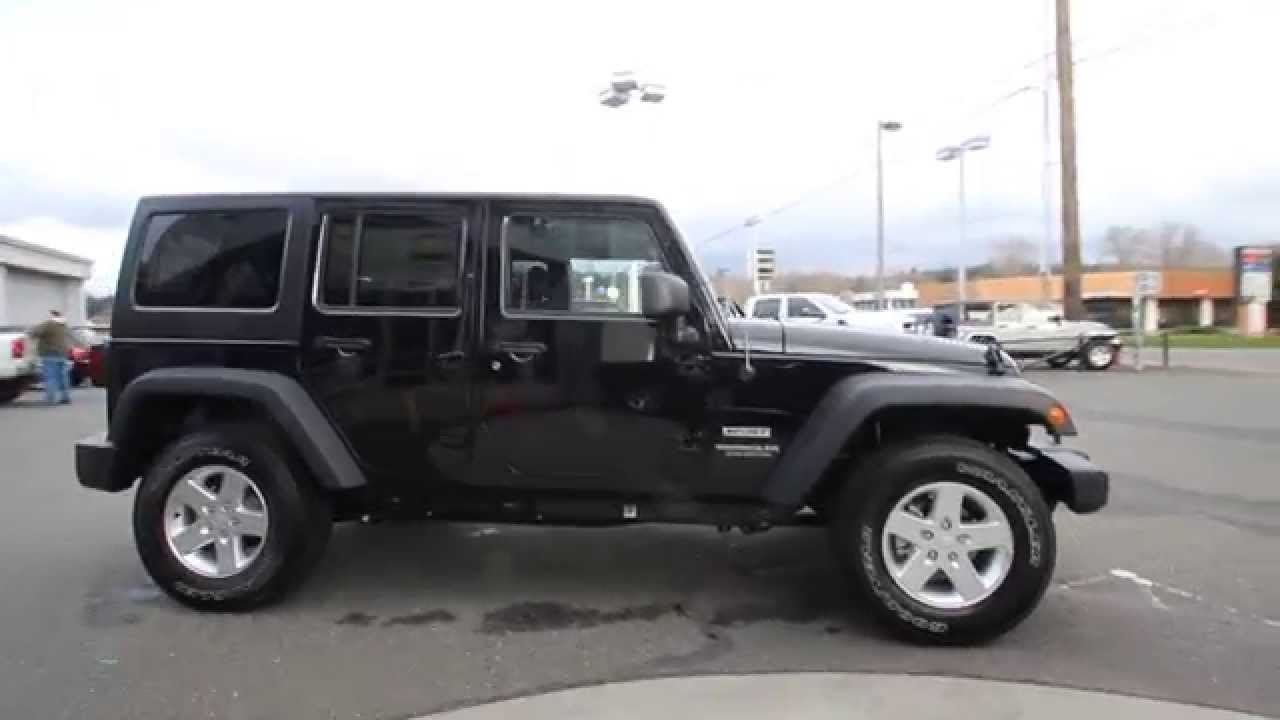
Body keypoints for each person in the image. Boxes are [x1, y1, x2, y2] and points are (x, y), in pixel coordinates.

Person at [27, 310, 71, 405]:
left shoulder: (48, 324)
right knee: (63, 376)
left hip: (50, 353)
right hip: (62, 353)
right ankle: (65, 397)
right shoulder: (63, 325)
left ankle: (50, 398)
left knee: (50, 376)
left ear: (52, 316)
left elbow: (33, 333)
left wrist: (29, 331)